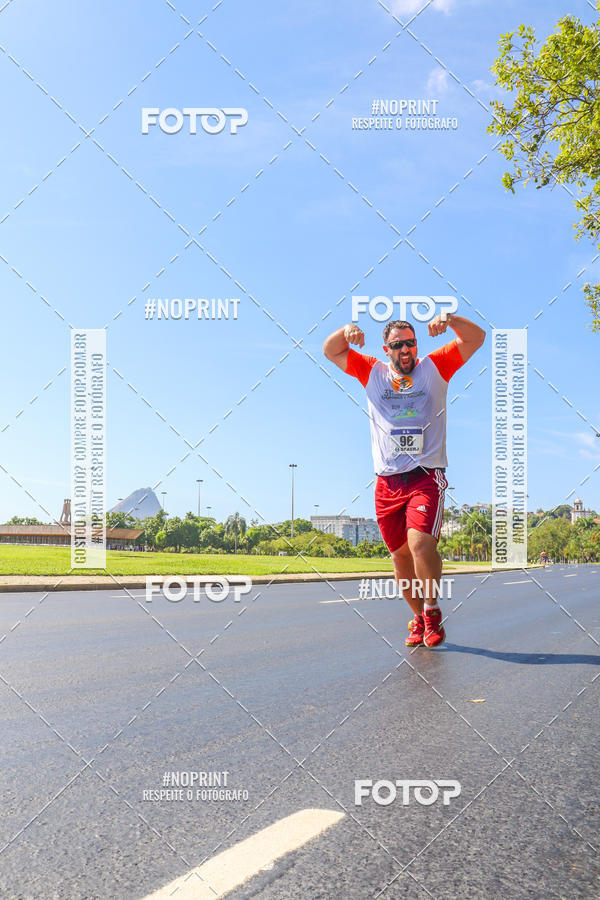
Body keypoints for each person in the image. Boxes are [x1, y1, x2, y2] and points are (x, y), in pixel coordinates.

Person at [323, 314, 486, 648]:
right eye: (398, 345)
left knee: (420, 545)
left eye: (411, 342)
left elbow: (476, 338)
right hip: (386, 482)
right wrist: (345, 331)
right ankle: (417, 617)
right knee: (399, 557)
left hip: (425, 476)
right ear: (387, 349)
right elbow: (331, 351)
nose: (406, 349)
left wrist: (451, 321)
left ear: (417, 344)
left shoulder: (435, 367)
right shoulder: (372, 371)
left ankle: (432, 610)